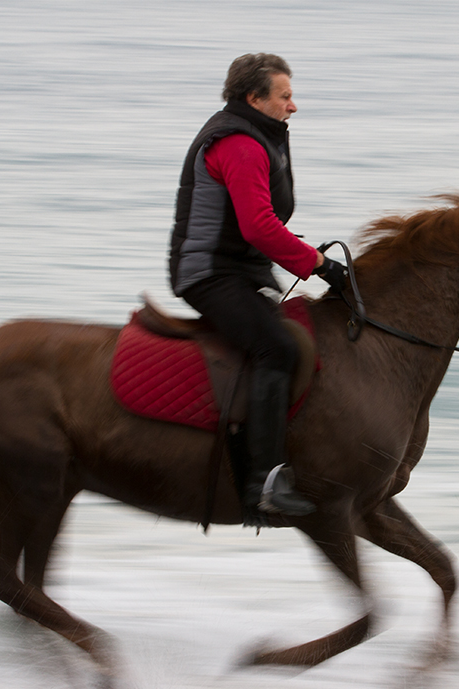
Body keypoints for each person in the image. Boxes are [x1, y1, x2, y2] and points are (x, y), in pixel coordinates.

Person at [168, 53, 346, 520]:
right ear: (255, 98)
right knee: (276, 350)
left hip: (242, 271)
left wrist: (313, 262)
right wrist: (320, 265)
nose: (293, 106)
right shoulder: (241, 145)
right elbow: (259, 228)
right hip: (209, 272)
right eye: (285, 96)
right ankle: (262, 483)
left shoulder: (259, 137)